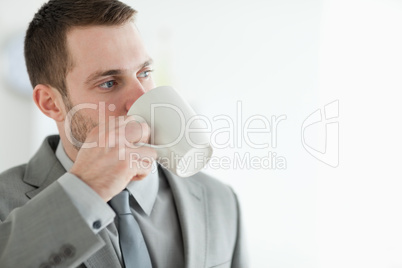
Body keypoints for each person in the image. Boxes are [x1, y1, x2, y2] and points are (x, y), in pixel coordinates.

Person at [0, 0, 248, 267]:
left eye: (144, 72)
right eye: (108, 82)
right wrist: (85, 189)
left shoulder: (219, 200)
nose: (140, 98)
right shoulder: (5, 202)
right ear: (50, 102)